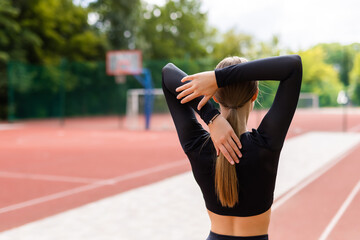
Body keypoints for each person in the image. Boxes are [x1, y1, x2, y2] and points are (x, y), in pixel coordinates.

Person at [162, 55, 302, 240]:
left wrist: (210, 116)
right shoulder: (266, 144)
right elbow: (293, 66)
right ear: (255, 94)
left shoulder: (197, 146)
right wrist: (218, 78)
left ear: (214, 95)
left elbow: (167, 73)